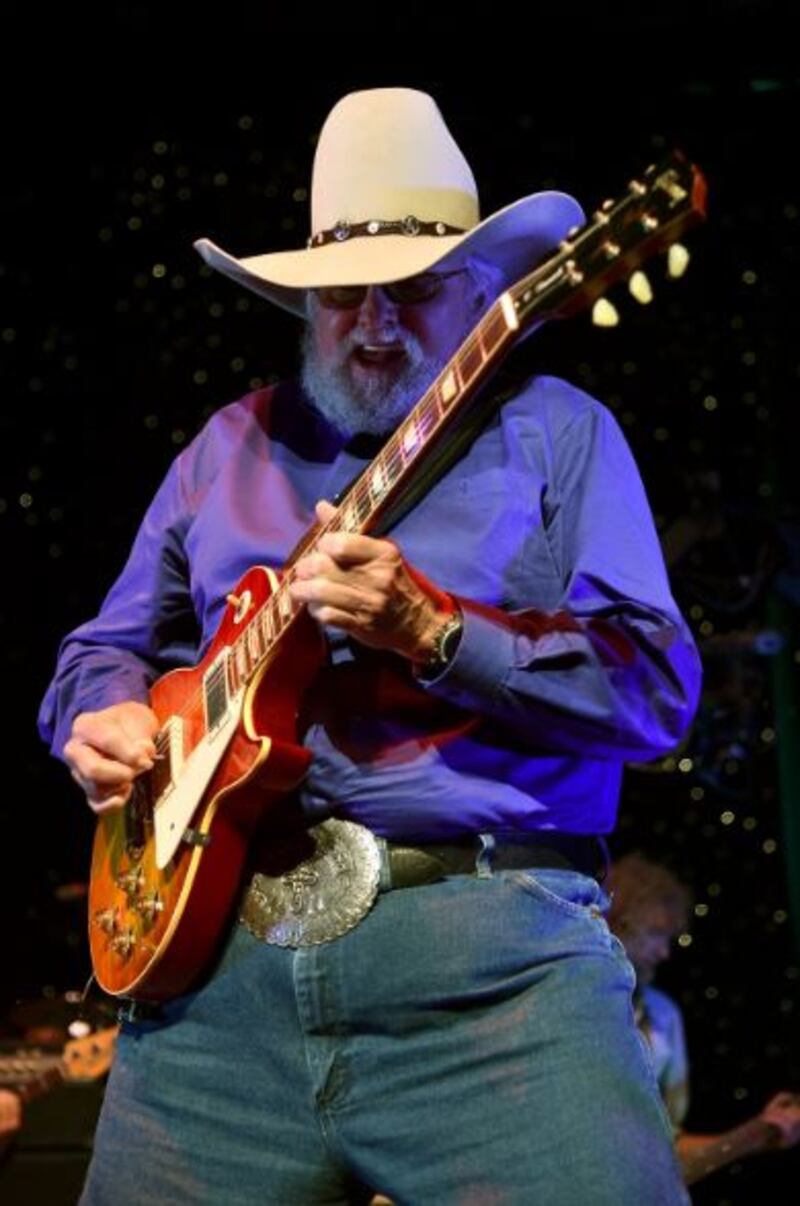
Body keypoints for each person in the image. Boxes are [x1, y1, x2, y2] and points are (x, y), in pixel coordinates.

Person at [39, 87, 702, 1204]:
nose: (377, 321)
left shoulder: (559, 434)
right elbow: (99, 651)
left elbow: (652, 695)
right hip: (210, 993)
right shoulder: (226, 448)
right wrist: (97, 715)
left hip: (493, 979)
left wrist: (437, 633)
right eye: (344, 296)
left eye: (413, 289)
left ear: (486, 291)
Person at [607, 853, 800, 1186]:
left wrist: (756, 1133)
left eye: (669, 938)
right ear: (619, 923)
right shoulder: (579, 1006)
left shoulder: (664, 1014)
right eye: (655, 934)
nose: (665, 953)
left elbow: (667, 1146)